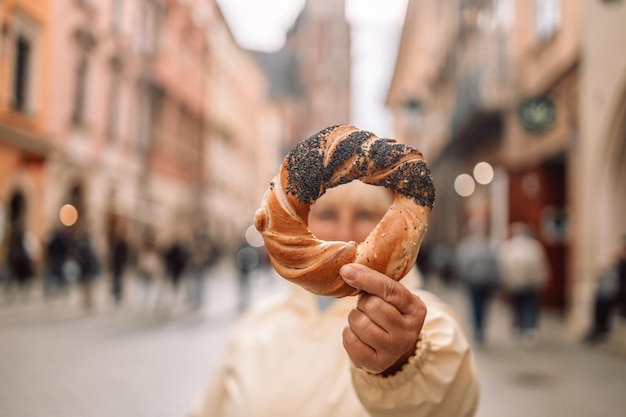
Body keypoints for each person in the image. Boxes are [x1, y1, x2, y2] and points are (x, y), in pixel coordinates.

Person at [189, 181, 478, 417]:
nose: (345, 233)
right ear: (305, 225)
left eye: (365, 215)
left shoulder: (424, 320)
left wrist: (402, 365)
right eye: (328, 215)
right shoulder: (259, 320)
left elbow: (453, 401)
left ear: (390, 226)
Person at [497, 222, 550, 346]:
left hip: (515, 283)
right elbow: (542, 265)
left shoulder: (508, 246)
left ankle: (518, 328)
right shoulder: (535, 246)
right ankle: (531, 330)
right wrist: (543, 280)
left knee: (517, 306)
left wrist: (504, 282)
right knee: (530, 306)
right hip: (532, 283)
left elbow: (503, 266)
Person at [454, 219, 500, 346]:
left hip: (473, 281)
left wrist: (462, 278)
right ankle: (481, 328)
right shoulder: (488, 245)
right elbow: (494, 263)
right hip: (486, 281)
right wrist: (496, 281)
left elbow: (461, 263)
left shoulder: (465, 246)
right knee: (484, 306)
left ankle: (477, 329)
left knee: (475, 305)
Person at [583, 236, 626, 343]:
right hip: (619, 290)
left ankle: (601, 328)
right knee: (600, 298)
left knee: (603, 300)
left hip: (622, 292)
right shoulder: (620, 259)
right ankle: (599, 327)